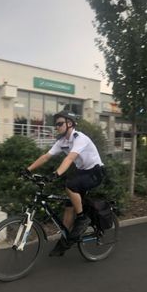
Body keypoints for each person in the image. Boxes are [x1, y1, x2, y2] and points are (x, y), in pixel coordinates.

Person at [23, 110, 104, 257]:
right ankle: (65, 241)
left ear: (70, 124)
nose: (57, 127)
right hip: (83, 172)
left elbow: (70, 159)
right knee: (68, 205)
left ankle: (82, 218)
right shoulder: (62, 142)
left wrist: (56, 174)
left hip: (95, 172)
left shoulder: (80, 138)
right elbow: (46, 156)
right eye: (56, 125)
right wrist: (28, 169)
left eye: (60, 124)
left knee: (70, 185)